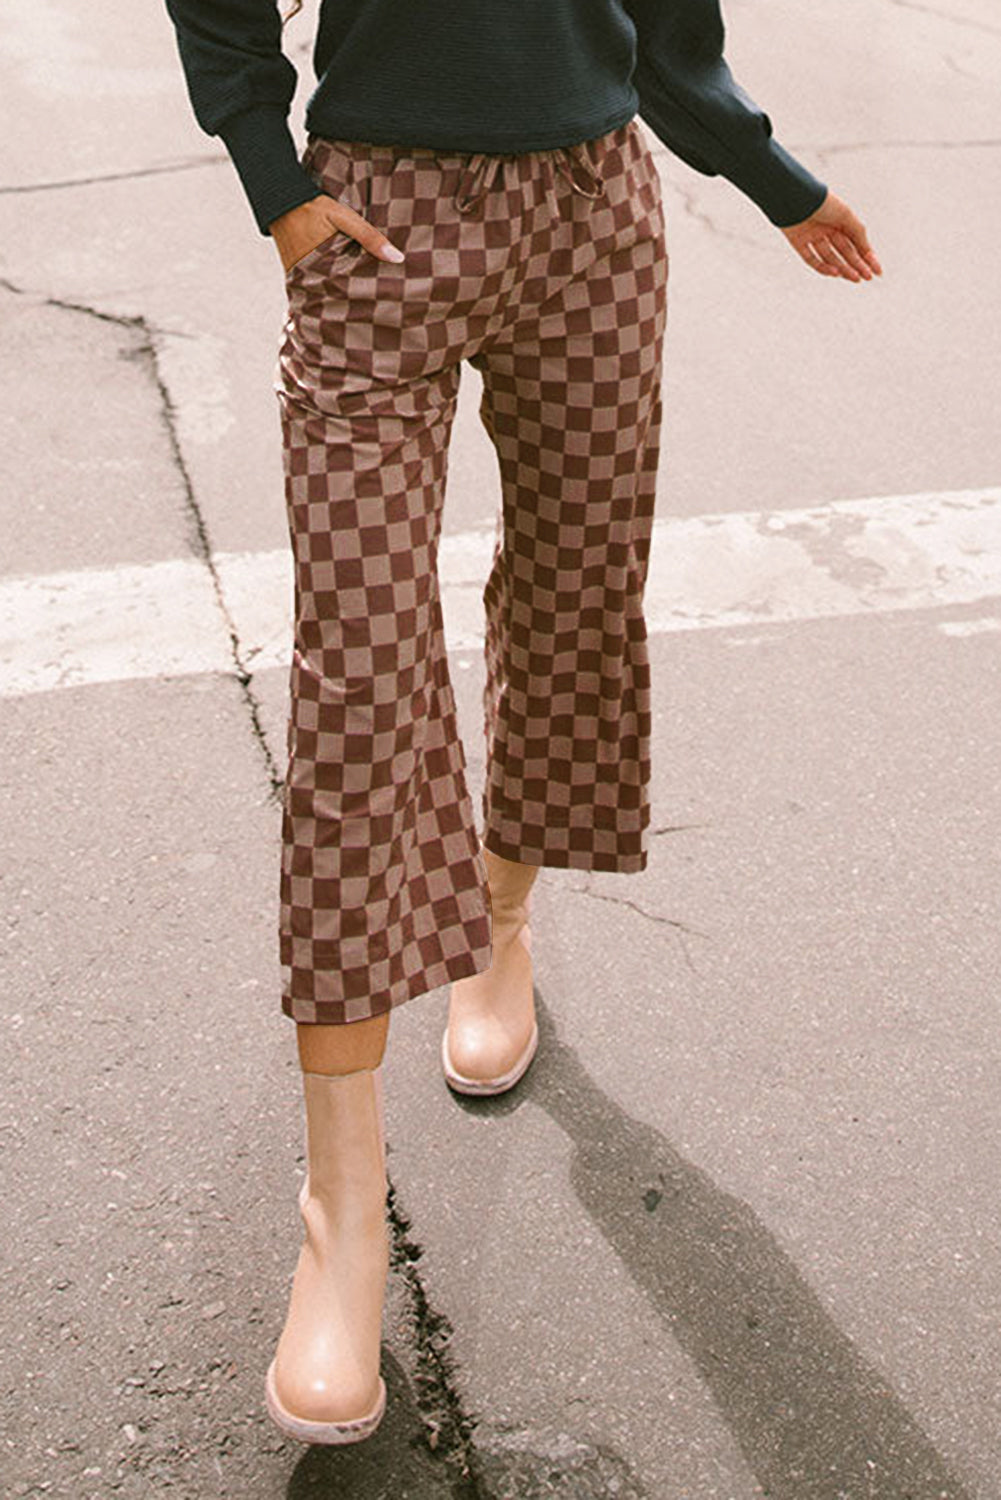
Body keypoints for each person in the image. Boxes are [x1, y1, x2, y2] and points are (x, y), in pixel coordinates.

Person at [162, 0, 882, 1447]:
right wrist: (274, 182)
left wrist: (766, 172)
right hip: (379, 214)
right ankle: (340, 1208)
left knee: (577, 591)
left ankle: (499, 925)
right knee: (361, 679)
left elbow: (663, 21)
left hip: (594, 213)